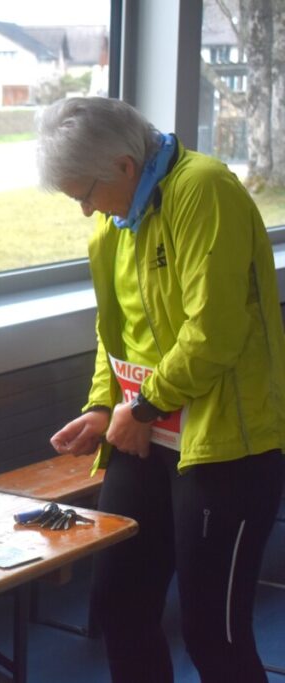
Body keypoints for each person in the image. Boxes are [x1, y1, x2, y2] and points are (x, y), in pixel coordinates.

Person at [40, 97, 285, 682]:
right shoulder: (115, 218)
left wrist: (146, 405)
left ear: (125, 166)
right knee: (120, 609)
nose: (86, 209)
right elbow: (116, 332)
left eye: (85, 194)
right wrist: (103, 406)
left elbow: (215, 331)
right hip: (144, 432)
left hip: (227, 445)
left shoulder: (203, 189)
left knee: (213, 635)